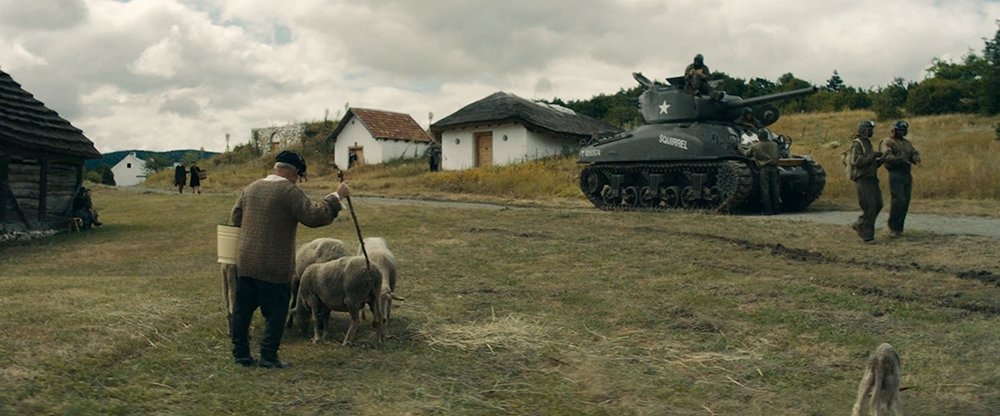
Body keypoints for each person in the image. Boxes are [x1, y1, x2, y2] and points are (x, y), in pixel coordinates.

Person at [229, 151, 350, 369]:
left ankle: (241, 355)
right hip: (273, 265)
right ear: (293, 172)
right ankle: (268, 356)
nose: (298, 180)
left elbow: (235, 217)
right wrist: (336, 197)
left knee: (242, 310)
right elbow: (314, 216)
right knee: (276, 312)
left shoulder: (251, 188)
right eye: (299, 175)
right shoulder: (288, 191)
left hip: (246, 262)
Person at [879, 120, 921, 237]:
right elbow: (886, 156)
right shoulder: (887, 141)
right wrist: (900, 159)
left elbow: (913, 152)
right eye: (899, 130)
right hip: (895, 173)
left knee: (905, 201)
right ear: (894, 130)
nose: (902, 132)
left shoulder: (907, 143)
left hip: (907, 173)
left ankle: (899, 228)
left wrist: (916, 157)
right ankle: (893, 228)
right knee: (898, 200)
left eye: (904, 130)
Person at [849, 120, 883, 243]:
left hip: (872, 179)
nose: (871, 132)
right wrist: (873, 156)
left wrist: (881, 159)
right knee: (870, 206)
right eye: (869, 129)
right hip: (863, 179)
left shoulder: (867, 143)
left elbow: (870, 163)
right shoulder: (857, 144)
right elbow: (857, 161)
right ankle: (868, 236)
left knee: (878, 204)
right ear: (863, 130)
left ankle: (860, 223)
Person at [743, 128, 781, 215]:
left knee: (765, 189)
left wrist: (741, 148)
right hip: (774, 168)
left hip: (764, 169)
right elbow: (779, 154)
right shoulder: (774, 144)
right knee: (775, 189)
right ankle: (777, 209)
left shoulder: (756, 146)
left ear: (759, 137)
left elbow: (747, 154)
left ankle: (768, 210)